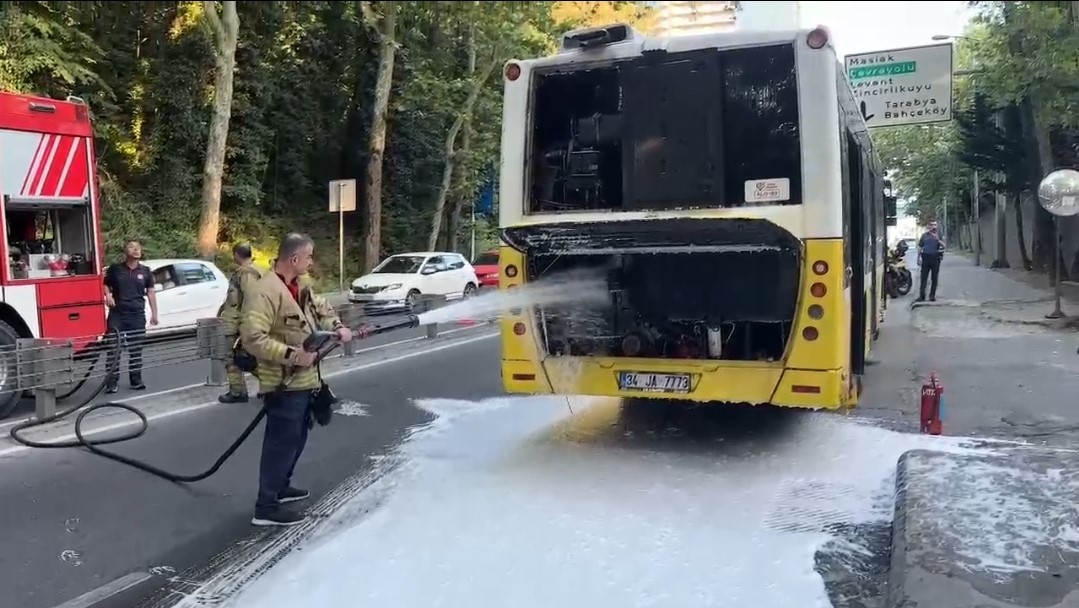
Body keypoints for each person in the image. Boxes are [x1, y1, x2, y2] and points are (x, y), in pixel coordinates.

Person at [240, 233, 357, 527]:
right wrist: (293, 355)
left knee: (297, 436)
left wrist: (339, 327)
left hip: (306, 379)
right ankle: (266, 507)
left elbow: (322, 309)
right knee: (281, 442)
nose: (312, 261)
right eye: (309, 256)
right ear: (294, 259)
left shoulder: (301, 285)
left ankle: (281, 487)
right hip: (283, 382)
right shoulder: (264, 291)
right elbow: (253, 339)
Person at [103, 239, 159, 393]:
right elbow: (105, 284)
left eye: (138, 247)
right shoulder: (115, 269)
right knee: (114, 349)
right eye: (131, 247)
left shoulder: (146, 271)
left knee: (136, 349)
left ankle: (136, 380)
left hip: (136, 315)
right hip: (118, 315)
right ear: (125, 252)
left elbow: (151, 292)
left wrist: (154, 314)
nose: (135, 250)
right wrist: (108, 295)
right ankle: (111, 382)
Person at [218, 243, 263, 404]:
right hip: (238, 323)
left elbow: (250, 300)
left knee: (233, 358)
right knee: (249, 359)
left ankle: (238, 391)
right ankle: (271, 387)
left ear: (236, 254)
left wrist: (245, 328)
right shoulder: (252, 271)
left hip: (238, 324)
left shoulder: (247, 273)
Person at [916, 221, 945, 302]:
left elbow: (944, 245)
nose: (933, 226)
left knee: (934, 278)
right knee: (923, 278)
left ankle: (932, 295)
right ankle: (922, 296)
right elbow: (920, 247)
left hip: (935, 258)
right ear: (928, 226)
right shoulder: (924, 236)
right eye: (931, 225)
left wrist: (937, 239)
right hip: (925, 258)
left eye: (934, 225)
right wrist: (918, 258)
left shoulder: (939, 235)